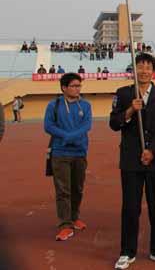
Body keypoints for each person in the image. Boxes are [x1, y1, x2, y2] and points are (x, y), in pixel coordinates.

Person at [110, 53, 155, 269]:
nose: (144, 71)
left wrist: (151, 150)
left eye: (148, 67)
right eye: (140, 66)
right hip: (131, 159)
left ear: (154, 71)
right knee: (130, 206)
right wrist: (130, 110)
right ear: (134, 70)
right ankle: (127, 252)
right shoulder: (123, 93)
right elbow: (114, 123)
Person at [44, 73, 92, 241]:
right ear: (64, 88)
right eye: (73, 86)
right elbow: (48, 126)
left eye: (79, 86)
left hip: (79, 152)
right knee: (63, 190)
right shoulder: (54, 105)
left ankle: (74, 217)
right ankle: (65, 225)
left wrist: (70, 136)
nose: (77, 89)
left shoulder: (85, 105)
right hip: (60, 153)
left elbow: (87, 125)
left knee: (77, 188)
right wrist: (65, 136)